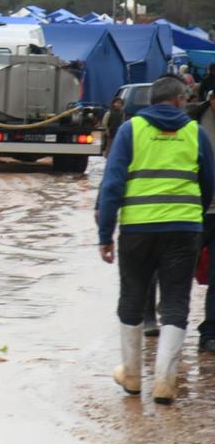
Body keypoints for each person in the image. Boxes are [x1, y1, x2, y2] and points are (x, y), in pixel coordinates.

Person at [98, 75, 214, 405]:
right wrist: (194, 216)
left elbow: (111, 186)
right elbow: (209, 183)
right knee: (177, 300)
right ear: (180, 100)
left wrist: (105, 234)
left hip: (138, 229)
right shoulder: (195, 132)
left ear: (151, 101)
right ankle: (165, 382)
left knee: (132, 296)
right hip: (184, 228)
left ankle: (133, 377)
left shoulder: (130, 130)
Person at [189, 90, 215, 352]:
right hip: (192, 212)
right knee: (179, 272)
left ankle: (209, 334)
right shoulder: (192, 122)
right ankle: (172, 322)